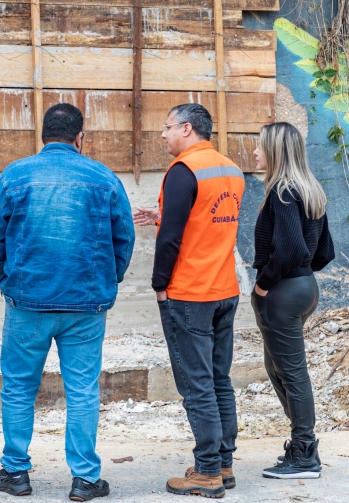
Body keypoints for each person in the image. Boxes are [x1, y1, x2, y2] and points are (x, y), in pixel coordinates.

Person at [0, 103, 135, 501]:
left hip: (27, 302)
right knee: (82, 390)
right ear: (80, 137)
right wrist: (106, 280)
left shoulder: (16, 175)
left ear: (43, 135)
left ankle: (15, 472)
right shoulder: (104, 177)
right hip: (86, 305)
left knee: (18, 387)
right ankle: (85, 479)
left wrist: (5, 279)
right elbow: (124, 240)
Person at [133, 103, 245, 499]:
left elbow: (172, 239)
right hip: (224, 290)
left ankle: (207, 473)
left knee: (197, 385)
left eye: (167, 127)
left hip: (190, 293)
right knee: (219, 380)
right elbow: (206, 223)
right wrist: (162, 215)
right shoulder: (230, 169)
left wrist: (159, 284)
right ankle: (224, 464)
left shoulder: (183, 170)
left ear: (186, 128)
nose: (163, 135)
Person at [250, 122, 334, 479]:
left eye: (260, 146)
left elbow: (289, 249)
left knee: (292, 373)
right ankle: (302, 443)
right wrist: (300, 274)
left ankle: (304, 453)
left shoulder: (282, 193)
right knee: (277, 368)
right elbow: (324, 252)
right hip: (304, 287)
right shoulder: (310, 190)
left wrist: (264, 285)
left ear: (275, 151)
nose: (255, 152)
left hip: (282, 292)